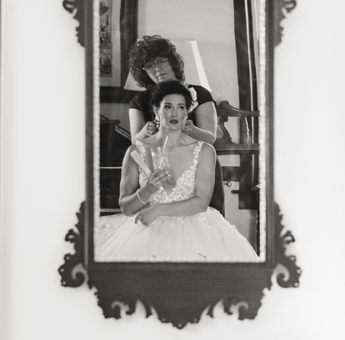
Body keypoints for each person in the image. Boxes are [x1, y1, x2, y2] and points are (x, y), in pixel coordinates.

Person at [97, 80, 259, 262]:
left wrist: (157, 210)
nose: (174, 113)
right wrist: (146, 190)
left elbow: (201, 202)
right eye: (168, 106)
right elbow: (126, 207)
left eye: (181, 107)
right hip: (146, 232)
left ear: (186, 113)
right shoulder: (136, 151)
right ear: (156, 109)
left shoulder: (204, 151)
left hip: (195, 232)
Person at [125, 35, 225, 215]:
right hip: (156, 175)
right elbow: (135, 142)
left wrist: (193, 131)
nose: (157, 69)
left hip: (196, 170)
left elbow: (210, 137)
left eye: (161, 62)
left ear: (172, 62)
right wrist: (144, 132)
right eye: (149, 66)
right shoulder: (139, 101)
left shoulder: (200, 94)